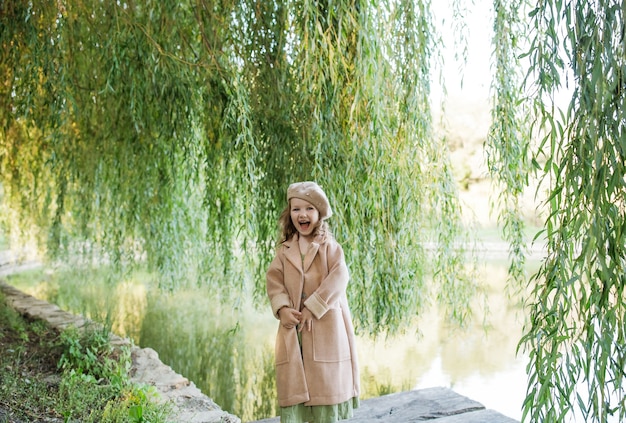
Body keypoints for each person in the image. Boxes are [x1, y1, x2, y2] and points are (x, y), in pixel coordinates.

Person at [266, 181, 360, 423]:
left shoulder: (330, 248)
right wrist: (283, 308)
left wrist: (314, 305)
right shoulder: (285, 250)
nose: (302, 214)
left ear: (319, 214)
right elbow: (274, 280)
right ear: (290, 214)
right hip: (294, 326)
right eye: (296, 209)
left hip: (325, 325)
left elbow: (339, 277)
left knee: (324, 381)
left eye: (309, 209)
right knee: (297, 379)